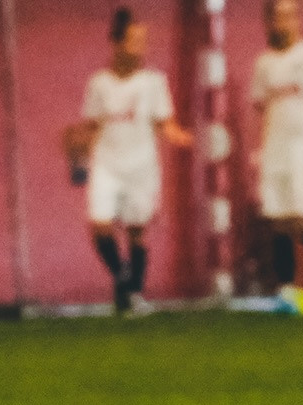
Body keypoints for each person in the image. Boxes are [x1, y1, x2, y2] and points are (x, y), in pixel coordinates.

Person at [75, 8, 192, 314]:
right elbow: (91, 125)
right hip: (106, 164)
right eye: (134, 41)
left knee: (137, 230)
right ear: (117, 43)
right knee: (100, 225)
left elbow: (164, 121)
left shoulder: (153, 82)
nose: (140, 48)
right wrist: (78, 152)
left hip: (141, 165)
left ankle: (133, 295)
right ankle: (123, 275)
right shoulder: (99, 83)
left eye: (143, 41)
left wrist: (179, 135)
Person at [251, 0, 303, 298]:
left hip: (302, 146)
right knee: (277, 219)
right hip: (274, 148)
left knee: (301, 217)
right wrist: (258, 150)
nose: (285, 22)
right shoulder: (264, 63)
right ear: (270, 22)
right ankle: (286, 288)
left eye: (290, 15)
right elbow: (261, 111)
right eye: (279, 17)